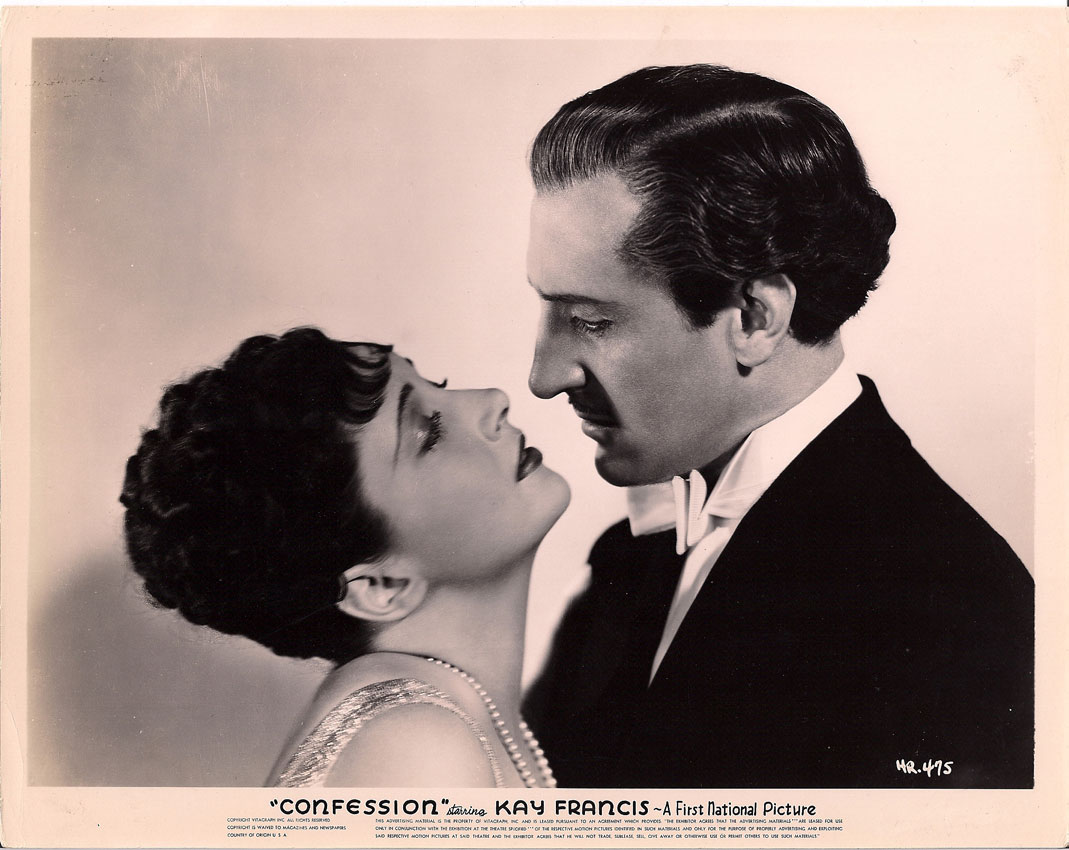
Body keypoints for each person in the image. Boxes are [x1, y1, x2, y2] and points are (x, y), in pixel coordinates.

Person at [523, 64, 1033, 788]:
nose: (544, 376)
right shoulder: (628, 560)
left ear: (756, 318)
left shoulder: (944, 607)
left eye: (591, 320)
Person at [120, 327, 570, 787]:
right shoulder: (415, 743)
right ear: (380, 586)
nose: (493, 400)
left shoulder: (439, 713)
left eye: (439, 386)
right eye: (428, 433)